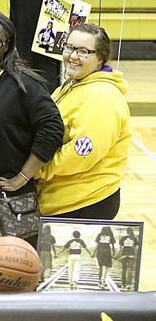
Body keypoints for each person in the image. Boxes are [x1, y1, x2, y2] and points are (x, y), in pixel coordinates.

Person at [0, 12, 64, 253]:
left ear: (7, 46)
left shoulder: (23, 84)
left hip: (5, 201)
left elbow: (52, 127)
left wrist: (23, 176)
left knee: (8, 276)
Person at [36, 24, 132, 219]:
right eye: (69, 48)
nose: (72, 56)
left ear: (100, 58)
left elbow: (81, 153)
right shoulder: (75, 84)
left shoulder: (101, 96)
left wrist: (37, 168)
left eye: (83, 51)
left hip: (84, 203)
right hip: (62, 199)